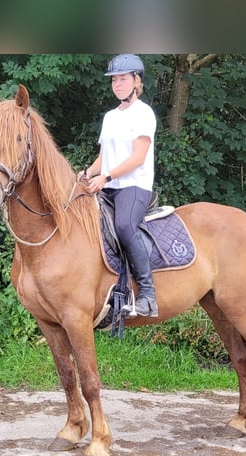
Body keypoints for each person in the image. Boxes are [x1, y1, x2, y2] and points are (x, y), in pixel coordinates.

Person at [79, 54, 158, 317]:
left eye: (123, 79)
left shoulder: (144, 113)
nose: (117, 84)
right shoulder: (110, 117)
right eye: (114, 80)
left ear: (137, 81)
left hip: (134, 186)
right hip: (108, 186)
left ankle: (148, 296)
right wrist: (85, 173)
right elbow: (104, 158)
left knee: (124, 226)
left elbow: (138, 157)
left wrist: (107, 177)